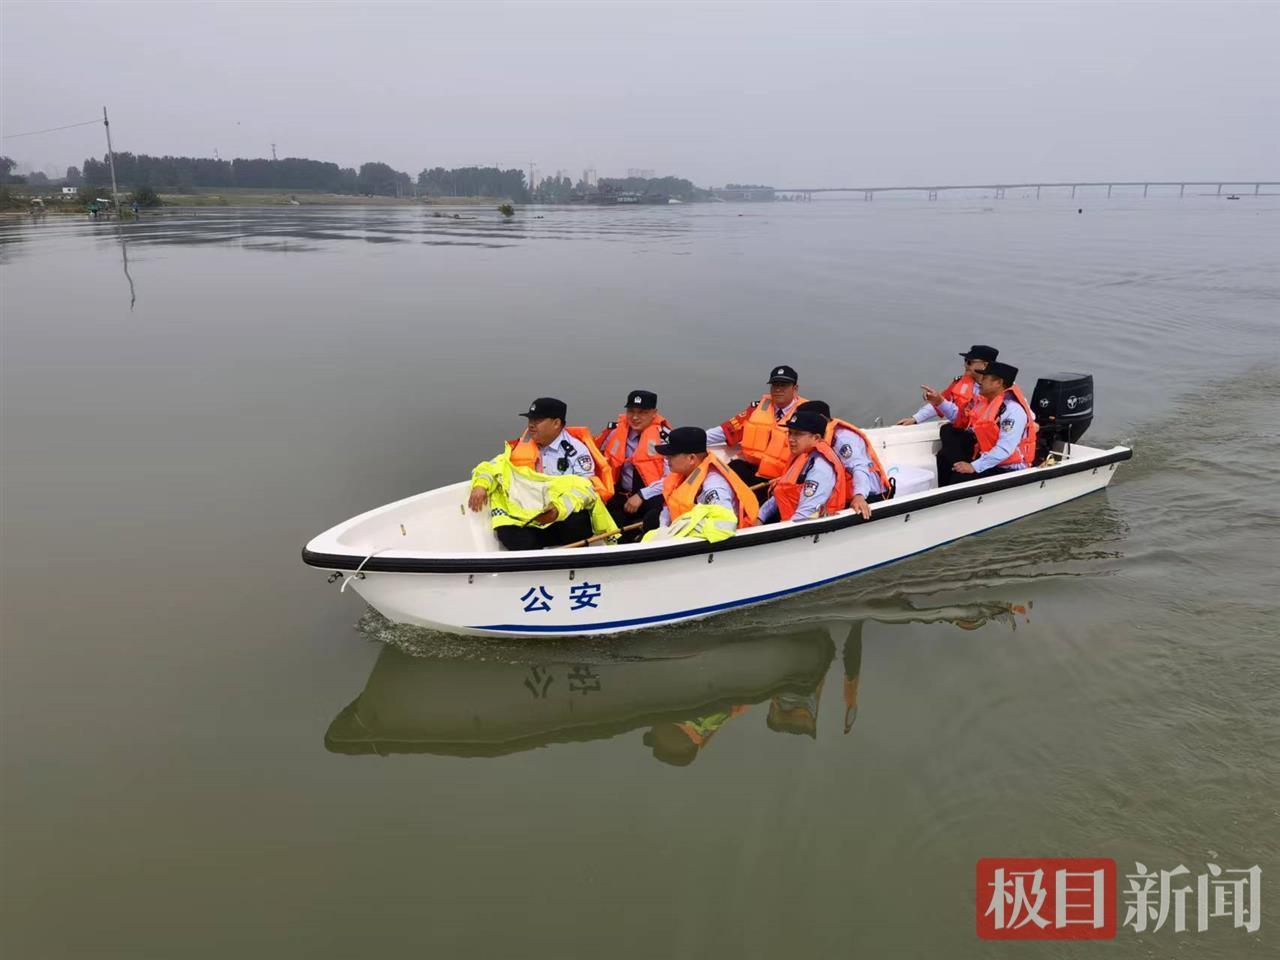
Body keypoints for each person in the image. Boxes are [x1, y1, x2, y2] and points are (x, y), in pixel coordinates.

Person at [467, 397, 617, 550]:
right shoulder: (520, 447)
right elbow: (492, 467)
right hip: (528, 516)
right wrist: (481, 486)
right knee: (506, 531)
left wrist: (557, 510)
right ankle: (534, 554)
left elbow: (586, 490)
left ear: (556, 423)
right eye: (530, 420)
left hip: (560, 516)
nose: (531, 425)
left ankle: (563, 558)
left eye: (537, 420)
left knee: (578, 523)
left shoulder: (576, 452)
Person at [647, 426, 759, 543]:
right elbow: (668, 507)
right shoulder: (683, 473)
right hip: (682, 535)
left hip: (724, 548)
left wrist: (681, 530)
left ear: (691, 458)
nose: (667, 459)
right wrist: (664, 529)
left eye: (672, 455)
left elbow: (725, 526)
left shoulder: (713, 486)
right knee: (651, 518)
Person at [706, 364, 808, 485]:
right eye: (775, 385)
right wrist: (689, 440)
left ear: (795, 388)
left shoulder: (807, 413)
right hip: (752, 469)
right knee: (726, 472)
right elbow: (726, 431)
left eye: (784, 385)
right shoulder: (756, 409)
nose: (778, 389)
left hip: (782, 478)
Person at [942, 361, 1039, 485]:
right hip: (988, 457)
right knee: (948, 433)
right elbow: (964, 423)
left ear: (998, 383)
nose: (981, 381)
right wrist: (939, 402)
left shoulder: (1012, 411)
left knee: (961, 478)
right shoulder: (987, 403)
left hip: (1008, 468)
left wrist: (974, 467)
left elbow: (1005, 449)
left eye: (985, 378)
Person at [796, 400, 892, 520]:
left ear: (821, 418)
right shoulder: (815, 439)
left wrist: (859, 495)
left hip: (870, 494)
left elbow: (859, 467)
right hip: (844, 493)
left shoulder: (842, 440)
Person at [594, 390, 670, 539]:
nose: (635, 417)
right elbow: (596, 457)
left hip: (653, 495)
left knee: (654, 518)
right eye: (631, 411)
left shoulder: (664, 438)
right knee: (605, 518)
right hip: (622, 495)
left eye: (642, 412)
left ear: (654, 413)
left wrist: (642, 495)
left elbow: (673, 477)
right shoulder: (614, 433)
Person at [757, 410, 848, 524]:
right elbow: (780, 494)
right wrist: (760, 518)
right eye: (790, 433)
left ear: (816, 438)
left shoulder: (820, 468)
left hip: (804, 531)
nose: (791, 439)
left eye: (798, 434)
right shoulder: (804, 458)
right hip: (789, 520)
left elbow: (805, 515)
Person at [896, 344, 999, 426]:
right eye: (965, 361)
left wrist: (939, 401)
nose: (965, 365)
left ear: (985, 365)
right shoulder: (960, 383)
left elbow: (942, 403)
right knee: (947, 432)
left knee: (949, 433)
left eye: (970, 362)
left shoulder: (999, 390)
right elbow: (941, 402)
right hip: (964, 427)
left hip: (981, 435)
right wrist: (916, 418)